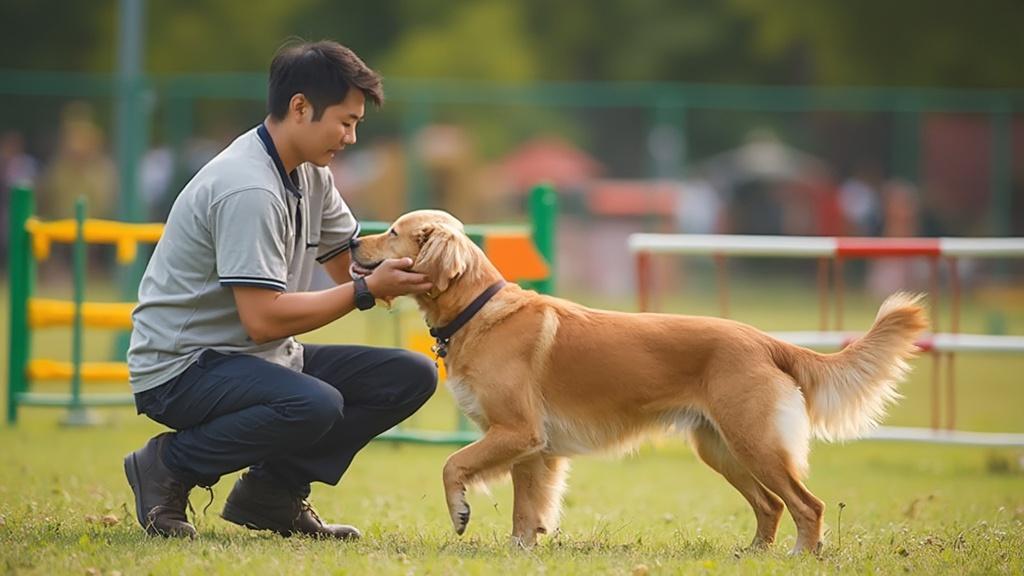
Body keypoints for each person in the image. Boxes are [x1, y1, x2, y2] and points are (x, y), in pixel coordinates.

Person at [123, 40, 437, 540]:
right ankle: (169, 465)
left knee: (409, 375)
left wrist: (430, 266)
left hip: (257, 357)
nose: (352, 138)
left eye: (357, 124)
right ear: (299, 107)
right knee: (313, 403)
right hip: (182, 367)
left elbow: (347, 268)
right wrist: (366, 291)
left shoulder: (312, 173)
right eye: (346, 121)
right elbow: (264, 318)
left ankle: (272, 493)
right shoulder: (249, 186)